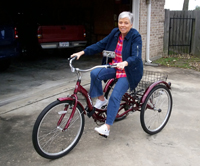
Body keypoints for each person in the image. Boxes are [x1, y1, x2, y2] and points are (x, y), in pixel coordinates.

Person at [71, 11, 143, 137]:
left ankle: (107, 127)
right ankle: (101, 99)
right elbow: (101, 45)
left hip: (129, 71)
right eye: (121, 22)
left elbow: (136, 57)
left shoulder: (135, 36)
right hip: (115, 67)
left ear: (131, 24)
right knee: (95, 73)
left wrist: (125, 63)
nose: (123, 25)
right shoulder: (115, 33)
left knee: (115, 96)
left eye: (126, 23)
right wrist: (82, 52)